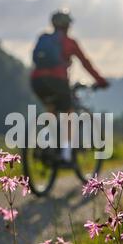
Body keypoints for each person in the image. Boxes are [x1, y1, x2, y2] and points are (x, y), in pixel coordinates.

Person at [31, 9, 109, 162]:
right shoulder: (70, 42)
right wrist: (101, 81)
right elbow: (86, 63)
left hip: (37, 80)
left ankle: (46, 144)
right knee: (69, 114)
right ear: (67, 26)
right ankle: (66, 154)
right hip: (57, 80)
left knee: (51, 109)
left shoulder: (44, 38)